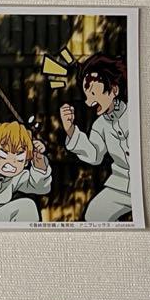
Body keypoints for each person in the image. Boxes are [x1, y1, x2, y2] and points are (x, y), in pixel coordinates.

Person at [60, 54, 132, 221]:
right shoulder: (99, 125)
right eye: (87, 95)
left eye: (93, 93)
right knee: (94, 214)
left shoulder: (135, 113)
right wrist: (71, 130)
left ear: (114, 90)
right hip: (120, 186)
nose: (89, 102)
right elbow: (94, 155)